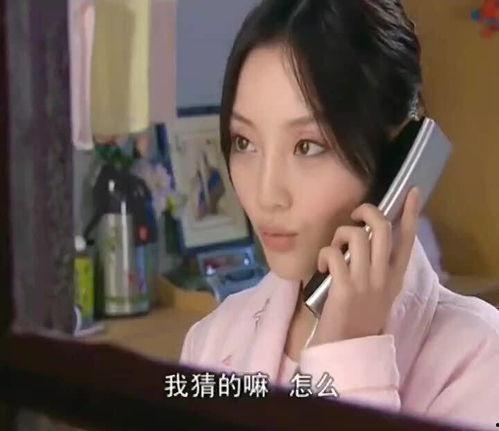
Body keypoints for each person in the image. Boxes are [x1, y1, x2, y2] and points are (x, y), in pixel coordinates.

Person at [180, 1, 499, 428]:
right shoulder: (210, 342)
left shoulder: (480, 359)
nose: (266, 195)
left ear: (397, 160)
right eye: (244, 142)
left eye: (307, 146)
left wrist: (350, 355)